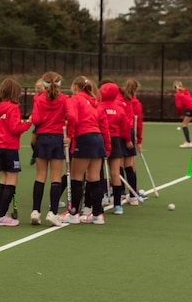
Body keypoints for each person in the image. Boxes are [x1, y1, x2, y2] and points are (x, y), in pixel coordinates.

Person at [62, 77, 111, 225]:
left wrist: (69, 136)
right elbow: (105, 127)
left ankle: (73, 213)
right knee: (94, 177)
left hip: (84, 138)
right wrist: (107, 147)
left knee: (76, 176)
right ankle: (97, 214)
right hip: (97, 139)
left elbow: (72, 117)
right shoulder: (95, 102)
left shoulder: (75, 100)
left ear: (75, 87)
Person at [0, 78, 32, 227]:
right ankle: (1, 215)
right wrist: (28, 123)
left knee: (3, 179)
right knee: (12, 180)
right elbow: (15, 128)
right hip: (9, 148)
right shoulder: (13, 108)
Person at [29, 71, 69, 226]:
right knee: (56, 176)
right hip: (57, 139)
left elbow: (36, 120)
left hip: (42, 139)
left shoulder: (38, 99)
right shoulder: (64, 99)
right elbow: (72, 117)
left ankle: (35, 211)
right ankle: (52, 212)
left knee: (40, 175)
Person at [99, 82, 134, 215]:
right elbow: (125, 127)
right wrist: (128, 140)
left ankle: (98, 199)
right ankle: (118, 205)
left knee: (97, 172)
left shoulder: (99, 107)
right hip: (116, 141)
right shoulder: (119, 109)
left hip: (101, 139)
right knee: (115, 172)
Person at [122, 78, 144, 204]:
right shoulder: (134, 103)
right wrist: (139, 140)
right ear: (136, 89)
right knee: (129, 164)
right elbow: (138, 123)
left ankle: (120, 193)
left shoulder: (119, 100)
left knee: (118, 164)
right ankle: (133, 195)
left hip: (119, 134)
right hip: (129, 133)